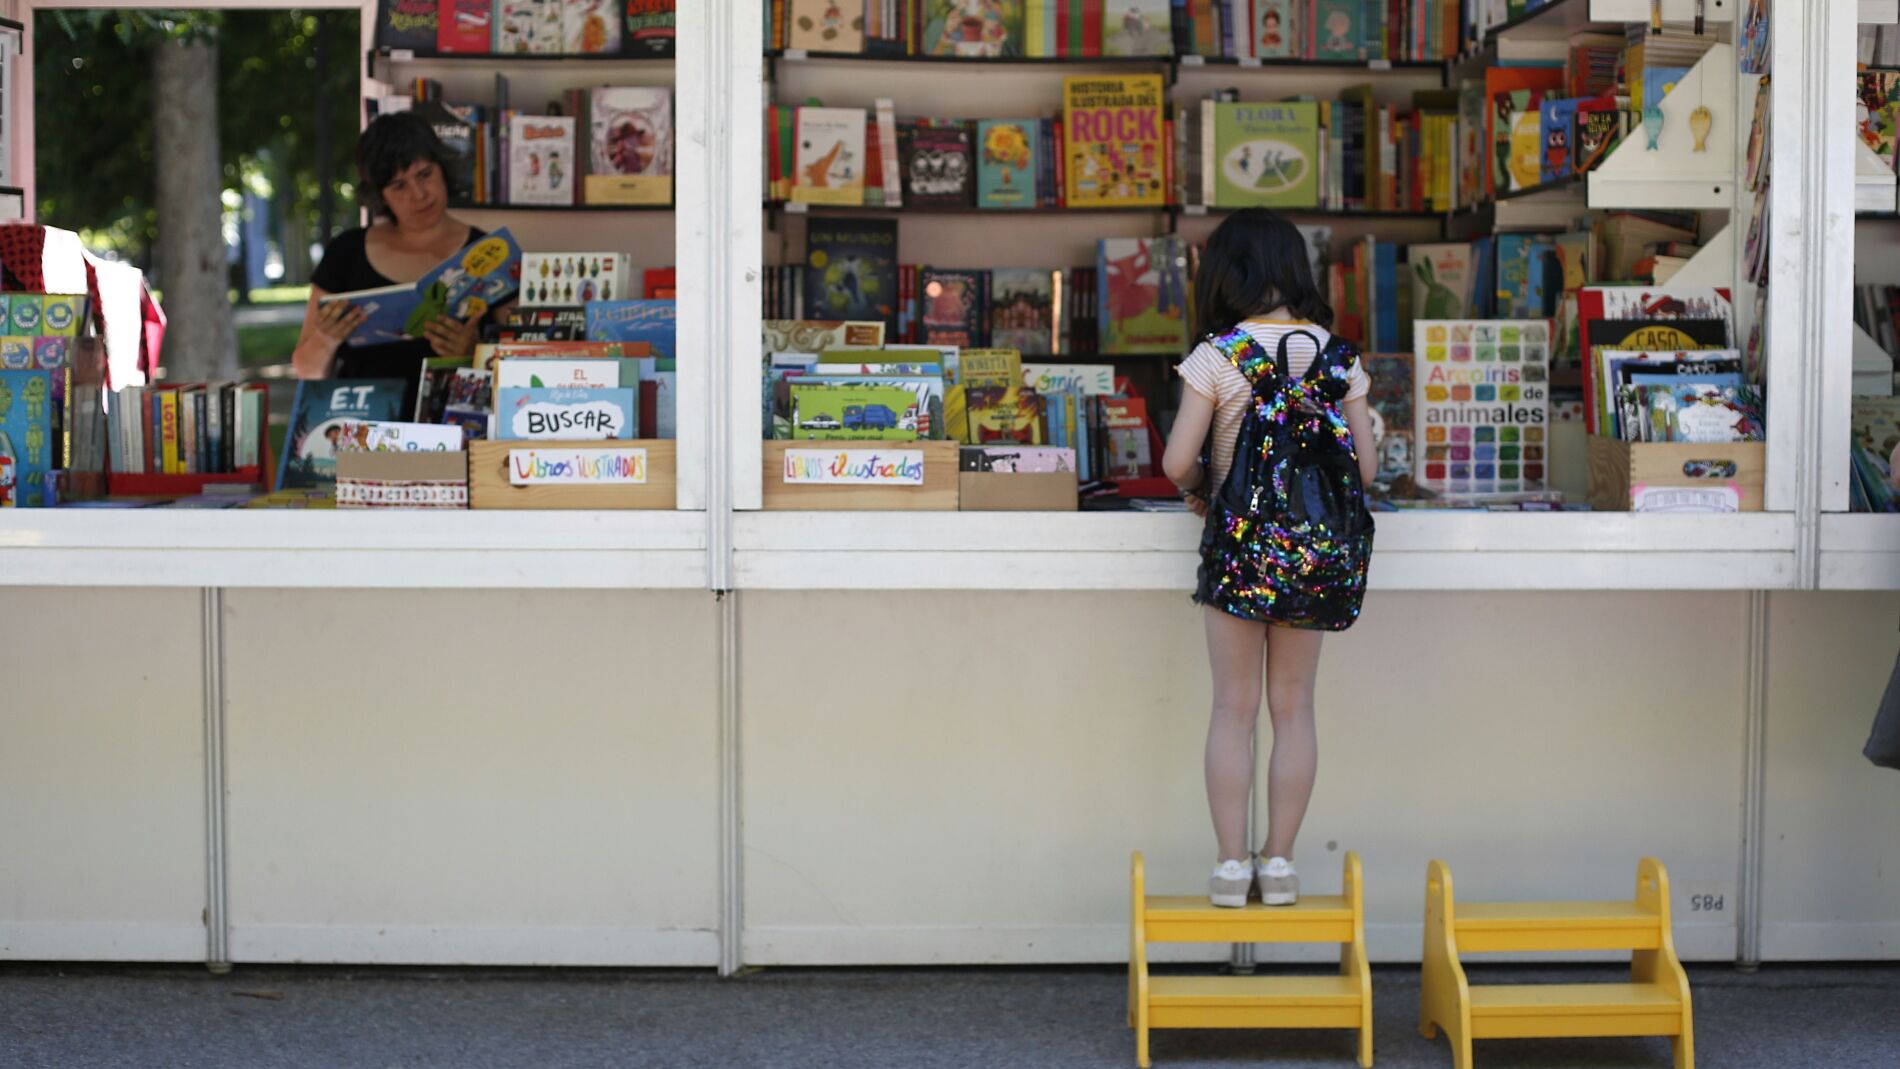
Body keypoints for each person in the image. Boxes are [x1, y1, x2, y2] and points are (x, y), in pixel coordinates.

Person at [1161, 209, 1377, 909]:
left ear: (1226, 271)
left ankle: (1230, 868)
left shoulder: (1218, 355)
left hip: (1240, 555)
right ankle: (1279, 863)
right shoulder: (1340, 357)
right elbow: (1366, 473)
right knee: (1295, 708)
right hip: (1313, 556)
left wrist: (1203, 493)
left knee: (1232, 708)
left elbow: (1174, 462)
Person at [293, 112, 495, 418]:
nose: (418, 194)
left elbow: (516, 369)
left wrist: (474, 352)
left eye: (425, 174)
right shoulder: (346, 254)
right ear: (380, 195)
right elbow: (307, 371)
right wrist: (326, 339)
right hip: (364, 438)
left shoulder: (487, 252)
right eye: (399, 186)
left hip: (455, 436)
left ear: (443, 168)